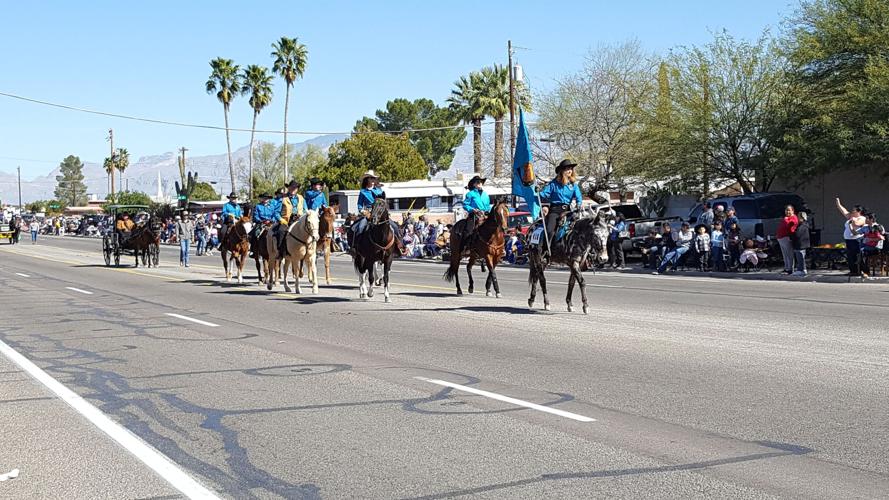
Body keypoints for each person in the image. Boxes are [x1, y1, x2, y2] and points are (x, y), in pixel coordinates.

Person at [539, 159, 583, 255]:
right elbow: (543, 195)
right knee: (550, 231)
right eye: (567, 169)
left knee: (581, 229)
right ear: (561, 171)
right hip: (555, 210)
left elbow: (579, 198)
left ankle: (582, 253)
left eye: (571, 169)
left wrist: (579, 205)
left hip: (568, 211)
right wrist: (539, 193)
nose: (569, 171)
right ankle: (545, 250)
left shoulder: (574, 186)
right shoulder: (553, 184)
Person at [836, 198, 867, 276]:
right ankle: (852, 270)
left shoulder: (862, 218)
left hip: (856, 239)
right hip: (849, 240)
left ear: (859, 212)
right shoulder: (851, 217)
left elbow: (857, 224)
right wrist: (838, 204)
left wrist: (853, 220)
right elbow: (844, 211)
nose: (852, 211)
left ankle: (860, 270)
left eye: (854, 210)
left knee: (857, 255)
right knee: (850, 256)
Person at [461, 175, 492, 243]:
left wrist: (487, 211)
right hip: (474, 216)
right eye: (477, 182)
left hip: (485, 215)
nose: (479, 183)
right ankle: (465, 247)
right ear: (474, 184)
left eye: (481, 182)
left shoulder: (486, 195)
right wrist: (473, 209)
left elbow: (488, 206)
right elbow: (465, 204)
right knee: (468, 231)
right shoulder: (470, 194)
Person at [776, 204, 799, 274]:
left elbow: (790, 226)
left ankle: (790, 269)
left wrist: (786, 220)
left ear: (793, 211)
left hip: (786, 237)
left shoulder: (793, 218)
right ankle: (786, 268)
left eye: (789, 210)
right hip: (781, 238)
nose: (787, 212)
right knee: (785, 254)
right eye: (786, 210)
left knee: (789, 254)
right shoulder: (786, 217)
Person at [792, 211, 812, 277]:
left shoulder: (802, 225)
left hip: (801, 244)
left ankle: (802, 270)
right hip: (801, 244)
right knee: (799, 257)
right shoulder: (804, 225)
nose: (797, 218)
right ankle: (800, 269)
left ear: (802, 218)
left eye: (799, 217)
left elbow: (797, 234)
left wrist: (792, 234)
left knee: (800, 257)